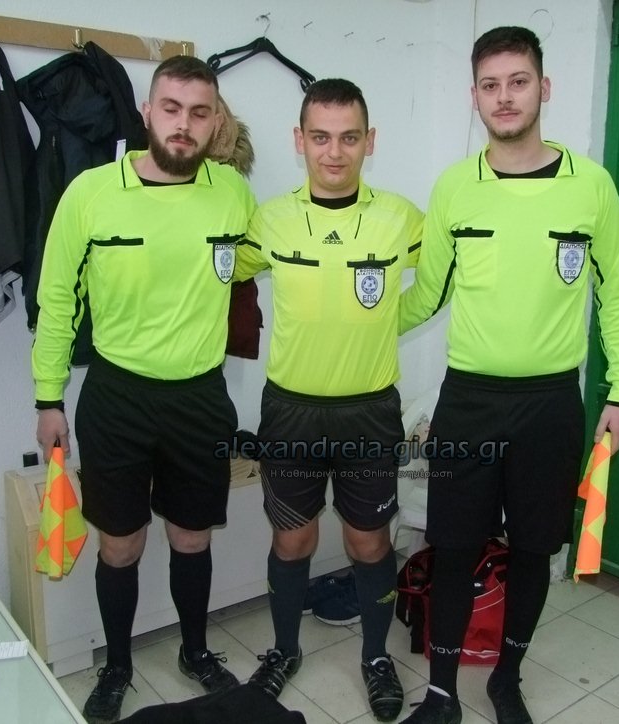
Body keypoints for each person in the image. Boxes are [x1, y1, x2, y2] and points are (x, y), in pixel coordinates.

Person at [397, 26, 619, 724]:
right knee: (453, 547)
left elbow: (616, 292)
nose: (504, 97)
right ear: (474, 96)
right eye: (490, 85)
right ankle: (441, 693)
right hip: (469, 401)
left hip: (550, 404)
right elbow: (427, 295)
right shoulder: (455, 188)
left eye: (518, 81)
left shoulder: (590, 186)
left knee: (535, 548)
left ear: (544, 88)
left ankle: (507, 680)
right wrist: (358, 326)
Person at [32, 56, 258, 724]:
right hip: (116, 398)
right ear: (147, 113)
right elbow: (56, 299)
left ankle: (195, 651)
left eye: (198, 112)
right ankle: (119, 666)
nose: (183, 125)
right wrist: (48, 398)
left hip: (200, 399)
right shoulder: (92, 192)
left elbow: (259, 259)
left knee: (192, 537)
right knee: (120, 545)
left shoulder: (231, 193)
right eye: (171, 109)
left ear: (215, 122)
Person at [236, 79, 423, 722]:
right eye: (320, 137)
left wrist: (386, 323)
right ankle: (284, 649)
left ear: (370, 141)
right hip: (290, 411)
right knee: (293, 541)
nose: (334, 152)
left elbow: (449, 276)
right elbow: (218, 272)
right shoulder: (269, 219)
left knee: (369, 543)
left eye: (348, 138)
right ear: (300, 141)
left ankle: (376, 656)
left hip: (369, 412)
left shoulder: (401, 218)